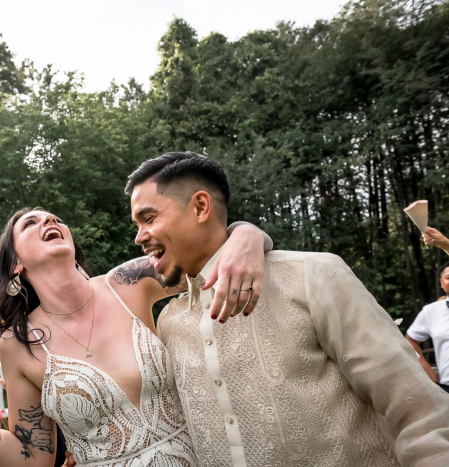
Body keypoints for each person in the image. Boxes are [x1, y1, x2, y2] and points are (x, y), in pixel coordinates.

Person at [126, 151, 449, 466]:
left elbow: (419, 413)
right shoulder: (169, 322)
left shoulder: (312, 275)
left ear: (200, 207)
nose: (140, 237)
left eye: (149, 218)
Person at [0, 205, 272, 466]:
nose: (50, 220)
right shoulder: (18, 344)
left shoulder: (128, 283)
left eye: (54, 217)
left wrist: (248, 235)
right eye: (31, 223)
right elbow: (32, 459)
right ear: (15, 265)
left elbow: (208, 252)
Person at [406, 261, 449, 393]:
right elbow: (410, 341)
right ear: (441, 282)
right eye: (448, 277)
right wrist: (426, 369)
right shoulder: (432, 311)